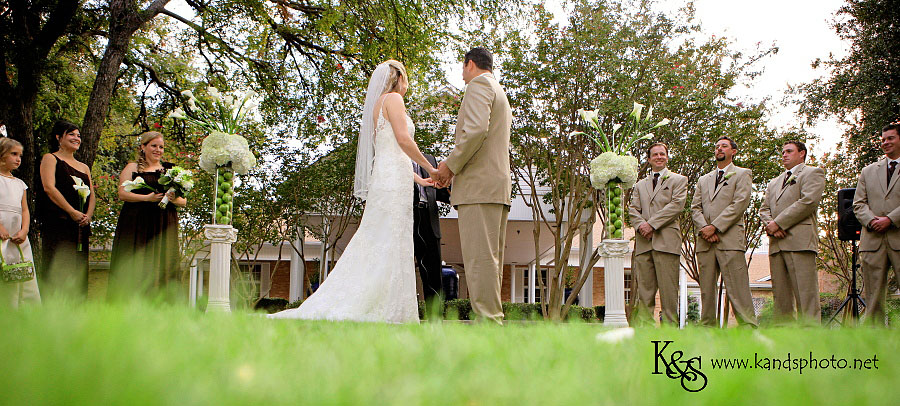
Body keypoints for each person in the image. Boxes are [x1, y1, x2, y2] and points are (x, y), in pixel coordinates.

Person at [269, 60, 437, 323]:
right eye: (406, 79)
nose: (407, 85)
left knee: (382, 239)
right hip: (393, 182)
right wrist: (431, 169)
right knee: (390, 240)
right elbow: (403, 141)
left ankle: (386, 303)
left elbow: (389, 151)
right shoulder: (394, 99)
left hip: (390, 177)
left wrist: (419, 179)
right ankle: (386, 307)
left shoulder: (378, 104)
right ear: (399, 78)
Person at [432, 47, 512, 324]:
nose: (462, 75)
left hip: (480, 187)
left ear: (469, 65)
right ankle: (490, 319)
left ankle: (488, 322)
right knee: (489, 260)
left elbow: (476, 130)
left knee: (480, 260)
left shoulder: (478, 86)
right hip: (494, 187)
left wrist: (449, 166)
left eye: (462, 68)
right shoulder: (497, 89)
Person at [690, 136, 758, 327]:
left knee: (737, 285)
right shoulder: (704, 180)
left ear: (733, 151)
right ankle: (707, 327)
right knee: (706, 289)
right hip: (705, 241)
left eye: (724, 146)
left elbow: (740, 203)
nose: (719, 149)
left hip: (728, 239)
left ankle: (748, 326)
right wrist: (704, 228)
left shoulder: (742, 174)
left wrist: (716, 227)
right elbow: (695, 207)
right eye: (717, 146)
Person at [108, 131, 185, 298]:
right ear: (143, 147)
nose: (158, 150)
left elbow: (183, 201)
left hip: (163, 222)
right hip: (136, 222)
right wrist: (147, 198)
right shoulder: (132, 168)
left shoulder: (170, 170)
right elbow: (122, 194)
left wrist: (172, 198)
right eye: (154, 146)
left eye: (161, 147)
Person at [759, 140, 825, 324]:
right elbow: (763, 209)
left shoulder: (813, 173)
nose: (784, 155)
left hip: (799, 242)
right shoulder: (774, 182)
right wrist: (771, 225)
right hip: (777, 244)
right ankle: (784, 336)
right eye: (783, 152)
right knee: (781, 296)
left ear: (802, 153)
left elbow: (808, 202)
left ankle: (810, 336)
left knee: (805, 294)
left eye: (789, 151)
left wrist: (779, 223)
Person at [628, 143, 687, 326]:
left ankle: (670, 328)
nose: (659, 157)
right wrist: (642, 226)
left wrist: (652, 224)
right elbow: (632, 210)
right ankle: (645, 327)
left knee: (669, 291)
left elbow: (676, 206)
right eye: (655, 154)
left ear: (667, 157)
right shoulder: (639, 185)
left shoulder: (678, 180)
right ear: (649, 159)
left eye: (662, 154)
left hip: (667, 242)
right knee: (645, 291)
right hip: (644, 243)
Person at [35, 120, 95, 298]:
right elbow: (49, 188)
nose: (77, 138)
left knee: (78, 270)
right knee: (57, 267)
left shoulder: (84, 167)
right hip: (58, 223)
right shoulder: (50, 158)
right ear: (58, 137)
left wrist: (87, 216)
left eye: (78, 135)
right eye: (72, 134)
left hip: (80, 227)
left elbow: (91, 194)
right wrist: (71, 211)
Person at [853, 123, 900, 326]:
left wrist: (890, 219)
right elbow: (858, 204)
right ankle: (874, 340)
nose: (885, 143)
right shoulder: (868, 171)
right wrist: (872, 221)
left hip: (898, 236)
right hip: (873, 241)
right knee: (873, 297)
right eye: (883, 139)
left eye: (890, 138)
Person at [0, 137, 41, 307]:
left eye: (20, 155)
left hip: (17, 237)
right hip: (2, 233)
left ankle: (22, 310)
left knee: (20, 272)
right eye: (13, 154)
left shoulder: (20, 184)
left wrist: (24, 230)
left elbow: (24, 210)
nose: (18, 159)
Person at [413, 153, 451, 315]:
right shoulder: (394, 155)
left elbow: (439, 192)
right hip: (404, 217)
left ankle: (435, 320)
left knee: (433, 274)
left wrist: (450, 188)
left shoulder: (429, 159)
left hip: (429, 219)